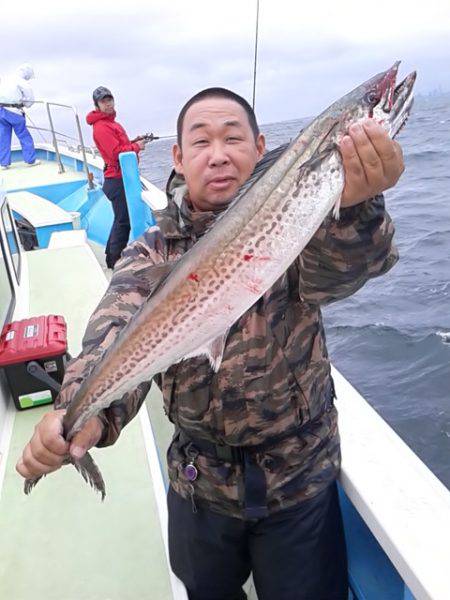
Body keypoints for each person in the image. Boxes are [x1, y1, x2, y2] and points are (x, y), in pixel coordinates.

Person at [16, 87, 404, 599]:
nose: (218, 154)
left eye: (233, 137)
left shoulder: (301, 221)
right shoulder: (150, 254)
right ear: (177, 157)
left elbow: (347, 272)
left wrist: (355, 208)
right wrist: (78, 411)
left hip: (299, 481)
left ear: (261, 146)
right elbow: (110, 335)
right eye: (200, 141)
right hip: (199, 485)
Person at [86, 86, 146, 269]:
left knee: (121, 219)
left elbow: (119, 146)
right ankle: (114, 261)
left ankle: (111, 256)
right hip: (117, 179)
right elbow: (114, 155)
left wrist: (133, 142)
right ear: (97, 105)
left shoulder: (111, 124)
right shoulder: (102, 127)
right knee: (124, 221)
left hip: (121, 178)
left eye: (109, 99)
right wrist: (136, 147)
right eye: (103, 101)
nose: (108, 103)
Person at [0, 63, 39, 169]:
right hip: (14, 112)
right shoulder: (22, 82)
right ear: (26, 75)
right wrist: (25, 104)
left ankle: (3, 163)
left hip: (1, 111)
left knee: (3, 137)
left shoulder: (6, 78)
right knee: (24, 135)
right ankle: (30, 160)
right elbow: (30, 100)